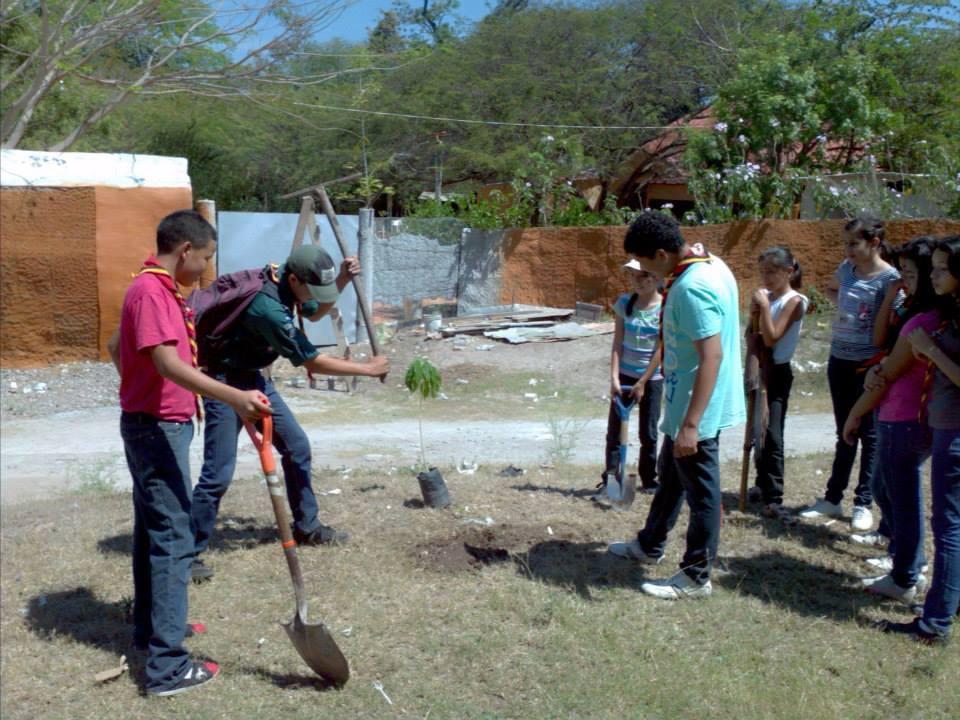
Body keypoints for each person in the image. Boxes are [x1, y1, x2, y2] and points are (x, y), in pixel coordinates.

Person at [107, 210, 271, 696]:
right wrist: (234, 397)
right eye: (203, 259)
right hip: (157, 430)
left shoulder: (152, 288)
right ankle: (167, 668)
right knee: (174, 538)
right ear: (184, 251)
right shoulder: (152, 291)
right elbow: (166, 362)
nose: (205, 269)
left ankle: (153, 629)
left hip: (152, 423)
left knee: (153, 531)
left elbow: (118, 345)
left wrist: (137, 391)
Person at [189, 244, 389, 581]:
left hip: (253, 376)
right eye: (311, 287)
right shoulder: (266, 307)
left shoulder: (286, 282)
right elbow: (311, 359)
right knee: (218, 473)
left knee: (297, 447)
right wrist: (368, 369)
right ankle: (187, 554)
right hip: (224, 382)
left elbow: (313, 312)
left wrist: (339, 281)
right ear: (295, 279)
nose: (314, 295)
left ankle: (307, 527)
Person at [607, 211, 745, 600]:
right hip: (683, 400)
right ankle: (650, 544)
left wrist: (692, 425)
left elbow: (711, 356)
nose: (645, 272)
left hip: (698, 408)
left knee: (703, 493)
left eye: (647, 263)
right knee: (670, 476)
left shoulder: (691, 288)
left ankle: (695, 576)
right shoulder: (710, 263)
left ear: (664, 254)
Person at [841, 237, 940, 605]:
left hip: (903, 417)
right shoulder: (924, 313)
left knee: (899, 496)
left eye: (912, 275)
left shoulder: (923, 319)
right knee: (889, 490)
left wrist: (855, 412)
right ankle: (908, 561)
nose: (905, 281)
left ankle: (905, 574)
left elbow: (888, 373)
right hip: (908, 416)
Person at [881, 235, 960, 644]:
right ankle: (947, 604)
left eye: (944, 268)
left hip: (954, 430)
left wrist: (930, 350)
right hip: (946, 425)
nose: (935, 275)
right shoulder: (951, 312)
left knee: (948, 527)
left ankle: (935, 623)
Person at [799, 216, 900, 531]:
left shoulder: (890, 279)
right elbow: (833, 290)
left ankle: (863, 502)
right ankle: (832, 497)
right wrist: (844, 308)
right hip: (838, 359)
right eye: (846, 244)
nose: (848, 250)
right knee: (844, 430)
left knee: (868, 434)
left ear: (874, 243)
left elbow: (891, 321)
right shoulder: (846, 270)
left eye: (854, 244)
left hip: (867, 366)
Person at [749, 247, 808, 521]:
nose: (766, 278)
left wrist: (762, 307)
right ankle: (760, 484)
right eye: (763, 272)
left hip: (779, 372)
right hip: (760, 369)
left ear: (788, 271)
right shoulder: (767, 298)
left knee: (773, 432)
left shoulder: (795, 301)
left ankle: (774, 495)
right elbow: (754, 334)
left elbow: (772, 337)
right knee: (757, 431)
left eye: (772, 272)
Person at [600, 259, 663, 496]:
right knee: (614, 432)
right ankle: (612, 478)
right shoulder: (624, 303)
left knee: (648, 432)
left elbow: (661, 349)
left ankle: (648, 479)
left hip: (652, 379)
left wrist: (643, 382)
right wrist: (614, 377)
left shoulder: (664, 308)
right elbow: (617, 343)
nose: (637, 281)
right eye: (633, 276)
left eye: (643, 276)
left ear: (655, 278)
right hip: (625, 375)